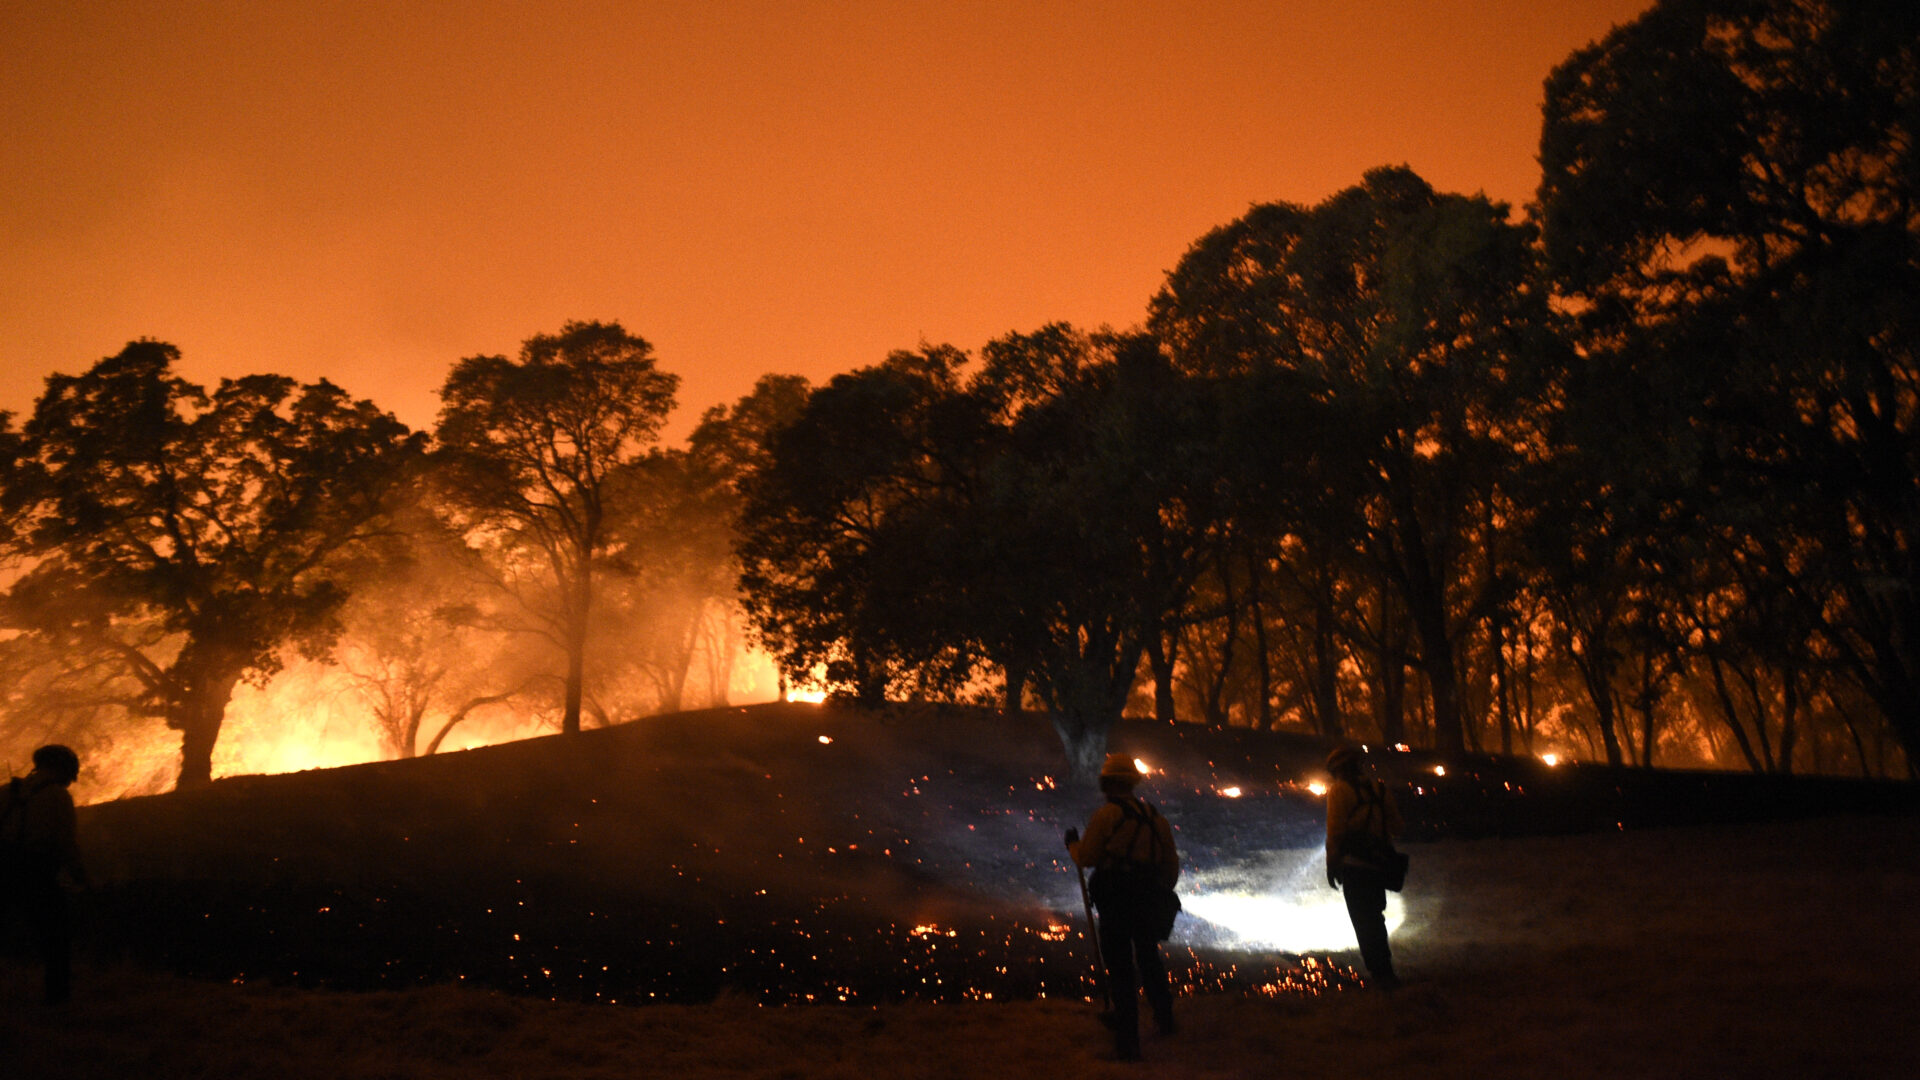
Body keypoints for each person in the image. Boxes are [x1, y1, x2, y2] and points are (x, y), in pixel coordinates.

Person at [1065, 752, 1180, 1062]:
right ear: (1132, 783)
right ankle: (1165, 1018)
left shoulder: (1107, 816)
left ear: (1107, 783)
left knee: (1119, 964)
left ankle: (1127, 1037)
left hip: (1116, 898)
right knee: (1148, 957)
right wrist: (1158, 891)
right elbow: (1171, 866)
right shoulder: (1157, 818)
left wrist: (1073, 845)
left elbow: (1088, 857)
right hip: (1148, 898)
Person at [1, 744, 88, 1005]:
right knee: (56, 935)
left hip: (3, 868)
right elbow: (66, 843)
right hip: (35, 873)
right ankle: (57, 1001)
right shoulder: (57, 797)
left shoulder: (7, 791)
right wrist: (81, 877)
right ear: (64, 769)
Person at [1325, 743, 1403, 988]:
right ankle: (1385, 969)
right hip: (1378, 866)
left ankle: (1380, 974)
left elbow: (1335, 833)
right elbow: (1397, 827)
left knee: (1363, 920)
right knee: (1375, 918)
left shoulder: (1338, 791)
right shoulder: (1379, 789)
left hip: (1354, 867)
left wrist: (1332, 865)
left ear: (1337, 770)